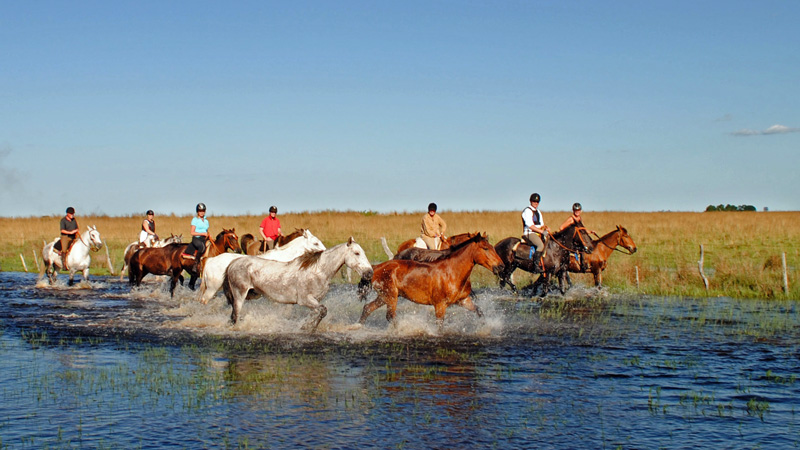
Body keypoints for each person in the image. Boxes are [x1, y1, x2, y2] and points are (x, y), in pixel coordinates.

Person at [559, 202, 595, 272]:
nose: (577, 212)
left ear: (581, 211)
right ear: (573, 211)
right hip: (573, 239)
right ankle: (581, 266)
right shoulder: (571, 219)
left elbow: (582, 230)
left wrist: (590, 231)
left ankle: (585, 264)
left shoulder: (580, 218)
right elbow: (561, 227)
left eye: (578, 210)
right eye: (576, 210)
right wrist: (569, 232)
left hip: (579, 238)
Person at [521, 193, 549, 272]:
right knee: (540, 245)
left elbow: (541, 224)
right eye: (534, 201)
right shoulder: (527, 211)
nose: (536, 203)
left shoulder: (538, 212)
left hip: (538, 232)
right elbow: (530, 225)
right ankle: (535, 266)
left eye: (537, 202)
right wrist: (541, 231)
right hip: (529, 233)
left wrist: (546, 228)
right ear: (530, 201)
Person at [182, 203, 210, 270]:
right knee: (202, 247)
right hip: (197, 238)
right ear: (197, 212)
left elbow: (206, 230)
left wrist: (209, 235)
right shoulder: (195, 220)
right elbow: (192, 232)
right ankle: (196, 264)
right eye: (200, 211)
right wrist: (202, 234)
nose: (202, 212)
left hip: (204, 238)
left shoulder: (206, 221)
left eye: (203, 211)